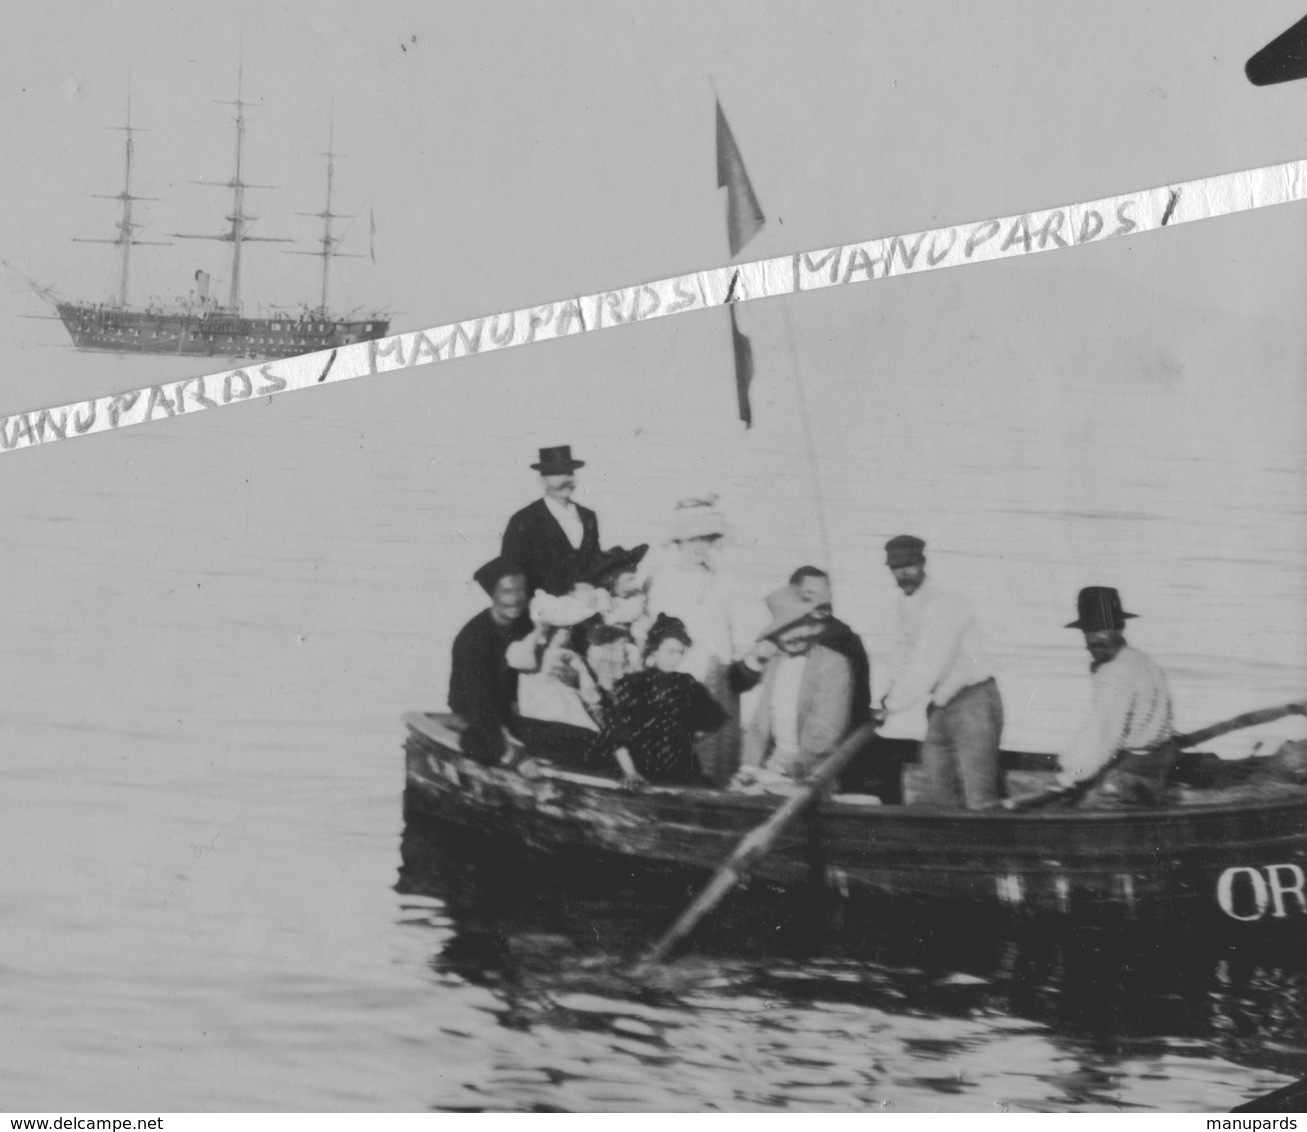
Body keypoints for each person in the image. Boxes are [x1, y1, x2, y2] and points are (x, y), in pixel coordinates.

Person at [874, 535, 1004, 809]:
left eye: (910, 565)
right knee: (938, 788)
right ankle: (951, 847)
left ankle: (988, 848)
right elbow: (903, 653)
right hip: (942, 704)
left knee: (979, 796)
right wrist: (886, 695)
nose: (905, 573)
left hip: (974, 701)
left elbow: (927, 663)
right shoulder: (906, 603)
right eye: (897, 567)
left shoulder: (943, 603)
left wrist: (894, 704)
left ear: (923, 563)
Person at [645, 496, 753, 786]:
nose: (697, 546)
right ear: (677, 543)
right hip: (682, 671)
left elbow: (739, 632)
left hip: (719, 674)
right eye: (690, 539)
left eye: (704, 539)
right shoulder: (665, 580)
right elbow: (657, 634)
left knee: (719, 747)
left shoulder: (726, 580)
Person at [1059, 586, 1176, 807]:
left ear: (1120, 629)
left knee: (1069, 805)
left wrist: (1069, 776)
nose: (1095, 637)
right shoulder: (1141, 660)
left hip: (1128, 779)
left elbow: (1102, 734)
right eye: (1090, 629)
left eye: (1105, 628)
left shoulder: (1115, 674)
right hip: (1157, 773)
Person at [587, 613, 728, 789]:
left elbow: (714, 720)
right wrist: (630, 772)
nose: (676, 658)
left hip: (680, 771)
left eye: (680, 652)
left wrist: (685, 737)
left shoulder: (688, 684)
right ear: (655, 650)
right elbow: (617, 735)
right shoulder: (633, 684)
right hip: (638, 769)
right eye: (671, 652)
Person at [734, 587, 854, 786]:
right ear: (776, 634)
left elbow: (826, 731)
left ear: (812, 626)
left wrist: (783, 772)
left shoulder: (834, 663)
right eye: (784, 629)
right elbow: (758, 724)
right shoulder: (774, 662)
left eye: (799, 626)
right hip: (775, 764)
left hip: (814, 767)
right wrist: (748, 769)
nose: (793, 636)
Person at [446, 557, 535, 769]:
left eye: (520, 591)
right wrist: (514, 756)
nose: (515, 599)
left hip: (512, 709)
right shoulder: (473, 638)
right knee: (478, 742)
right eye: (507, 592)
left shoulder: (524, 627)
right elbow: (479, 701)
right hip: (475, 712)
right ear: (492, 594)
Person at [501, 445, 601, 597]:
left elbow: (596, 564)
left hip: (586, 610)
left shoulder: (588, 516)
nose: (566, 479)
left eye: (569, 472)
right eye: (557, 473)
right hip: (540, 612)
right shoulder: (524, 520)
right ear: (542, 480)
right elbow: (511, 573)